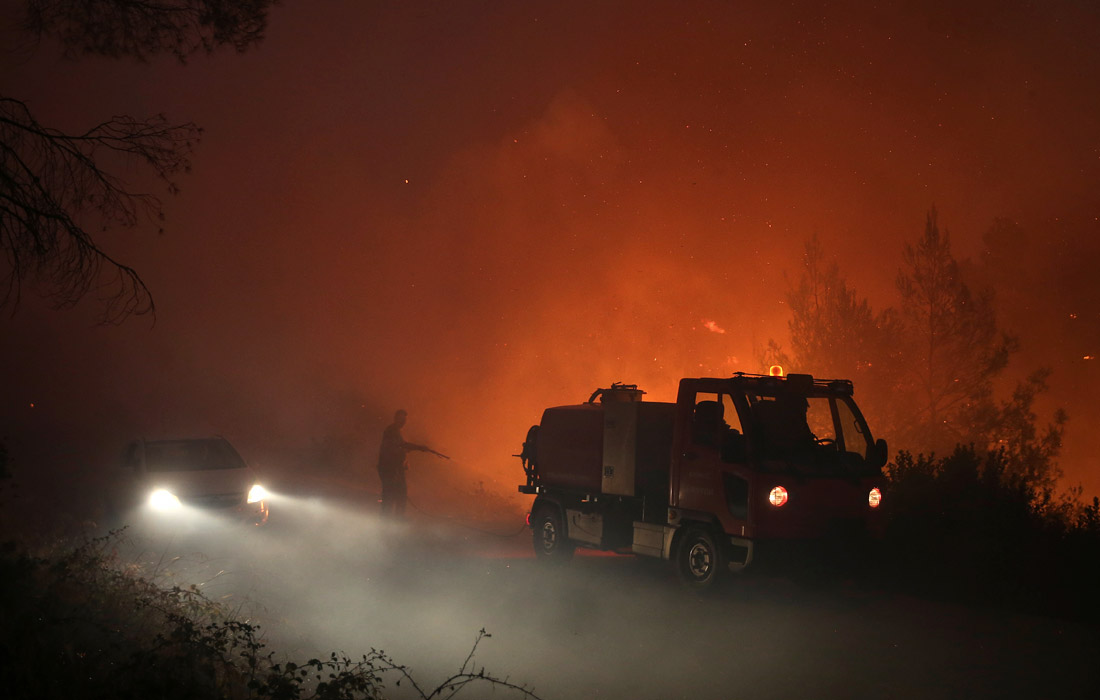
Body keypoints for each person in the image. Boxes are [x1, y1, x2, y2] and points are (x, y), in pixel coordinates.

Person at [376, 409, 433, 518]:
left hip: (393, 468)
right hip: (390, 469)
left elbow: (400, 446)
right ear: (396, 418)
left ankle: (392, 519)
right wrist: (419, 448)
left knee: (396, 494)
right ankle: (391, 520)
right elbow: (399, 446)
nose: (403, 422)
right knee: (393, 495)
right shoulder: (391, 430)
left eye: (405, 420)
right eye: (401, 419)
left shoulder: (396, 431)